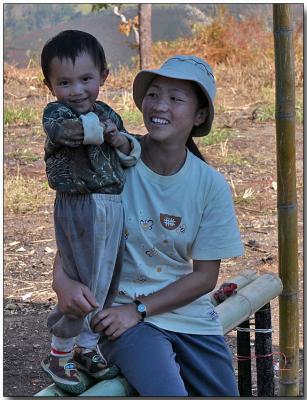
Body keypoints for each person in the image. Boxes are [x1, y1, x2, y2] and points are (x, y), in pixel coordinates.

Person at [51, 55, 244, 396]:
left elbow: (205, 277)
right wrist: (62, 281)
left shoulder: (209, 185)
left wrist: (139, 310)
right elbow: (77, 231)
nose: (160, 105)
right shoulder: (112, 162)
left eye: (175, 98)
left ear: (199, 115)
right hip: (118, 317)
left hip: (187, 317)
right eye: (154, 94)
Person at [40, 30, 140, 394]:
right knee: (81, 280)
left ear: (104, 77)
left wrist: (121, 140)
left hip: (111, 205)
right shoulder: (57, 114)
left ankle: (86, 346)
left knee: (104, 280)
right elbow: (69, 133)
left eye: (86, 79)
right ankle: (60, 349)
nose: (77, 90)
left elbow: (131, 151)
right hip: (79, 204)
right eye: (65, 82)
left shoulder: (106, 112)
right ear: (50, 86)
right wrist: (102, 132)